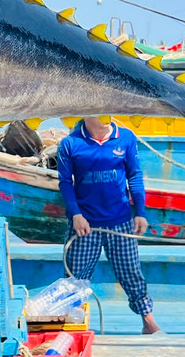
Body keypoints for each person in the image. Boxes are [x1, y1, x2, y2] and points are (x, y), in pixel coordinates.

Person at [55, 115, 161, 334]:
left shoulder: (126, 138)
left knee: (131, 272)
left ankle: (148, 321)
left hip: (120, 221)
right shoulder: (70, 143)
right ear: (87, 113)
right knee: (75, 277)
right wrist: (75, 214)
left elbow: (134, 175)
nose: (107, 115)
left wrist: (140, 213)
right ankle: (75, 323)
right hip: (85, 225)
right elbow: (65, 182)